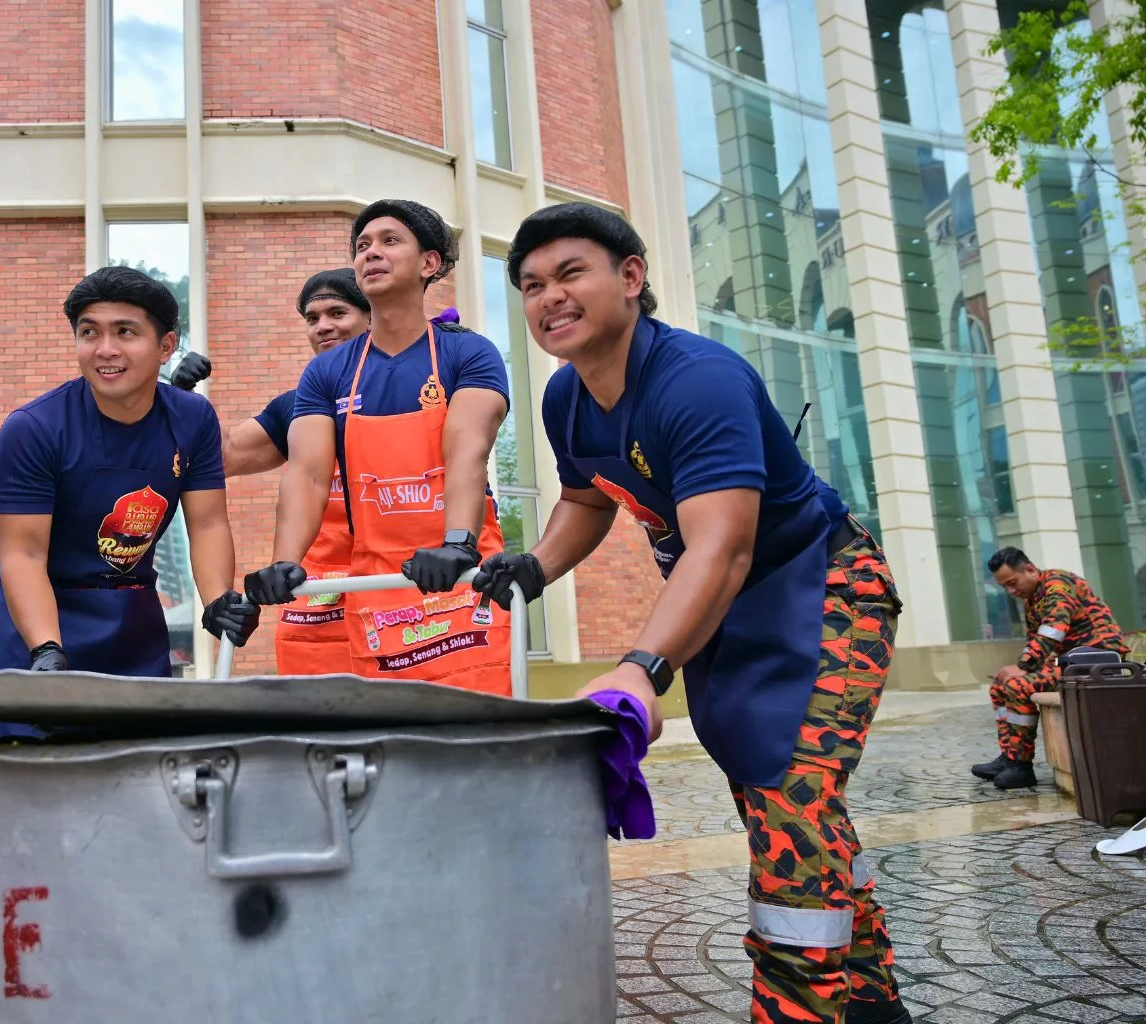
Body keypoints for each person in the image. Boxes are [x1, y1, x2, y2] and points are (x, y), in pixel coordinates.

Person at [474, 203, 913, 1024]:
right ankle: (873, 1003)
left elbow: (723, 548)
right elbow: (586, 497)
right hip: (728, 611)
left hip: (822, 586)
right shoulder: (567, 397)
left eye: (571, 273)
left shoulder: (696, 380)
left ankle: (802, 1011)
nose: (548, 299)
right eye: (531, 285)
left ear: (631, 277)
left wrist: (642, 667)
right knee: (777, 794)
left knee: (791, 796)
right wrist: (534, 565)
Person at [244, 200, 514, 694]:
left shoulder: (468, 353)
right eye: (363, 246)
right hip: (374, 589)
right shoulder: (326, 372)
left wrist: (457, 542)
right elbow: (307, 473)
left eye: (390, 241)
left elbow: (467, 449)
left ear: (430, 264)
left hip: (461, 578)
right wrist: (286, 561)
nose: (372, 253)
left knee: (470, 733)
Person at [0, 265, 260, 739]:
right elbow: (22, 553)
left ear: (166, 346)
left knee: (142, 779)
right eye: (89, 332)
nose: (105, 349)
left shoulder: (193, 419)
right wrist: (46, 651)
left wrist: (217, 598)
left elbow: (210, 523)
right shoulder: (32, 429)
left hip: (134, 624)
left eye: (125, 332)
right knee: (30, 785)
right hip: (44, 621)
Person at [169, 268, 370, 675]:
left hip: (397, 591)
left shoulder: (420, 387)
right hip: (317, 600)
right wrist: (178, 399)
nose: (323, 327)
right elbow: (220, 456)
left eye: (337, 313)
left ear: (372, 316)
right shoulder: (296, 405)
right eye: (312, 319)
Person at [976, 547, 1128, 789]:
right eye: (1005, 586)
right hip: (1071, 661)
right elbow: (1036, 641)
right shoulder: (1033, 599)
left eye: (1013, 583)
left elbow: (1053, 629)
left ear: (1030, 569)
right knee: (1000, 686)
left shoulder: (1058, 584)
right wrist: (1021, 667)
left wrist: (1023, 667)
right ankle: (1010, 755)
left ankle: (1021, 767)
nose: (1011, 591)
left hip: (1096, 661)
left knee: (1018, 685)